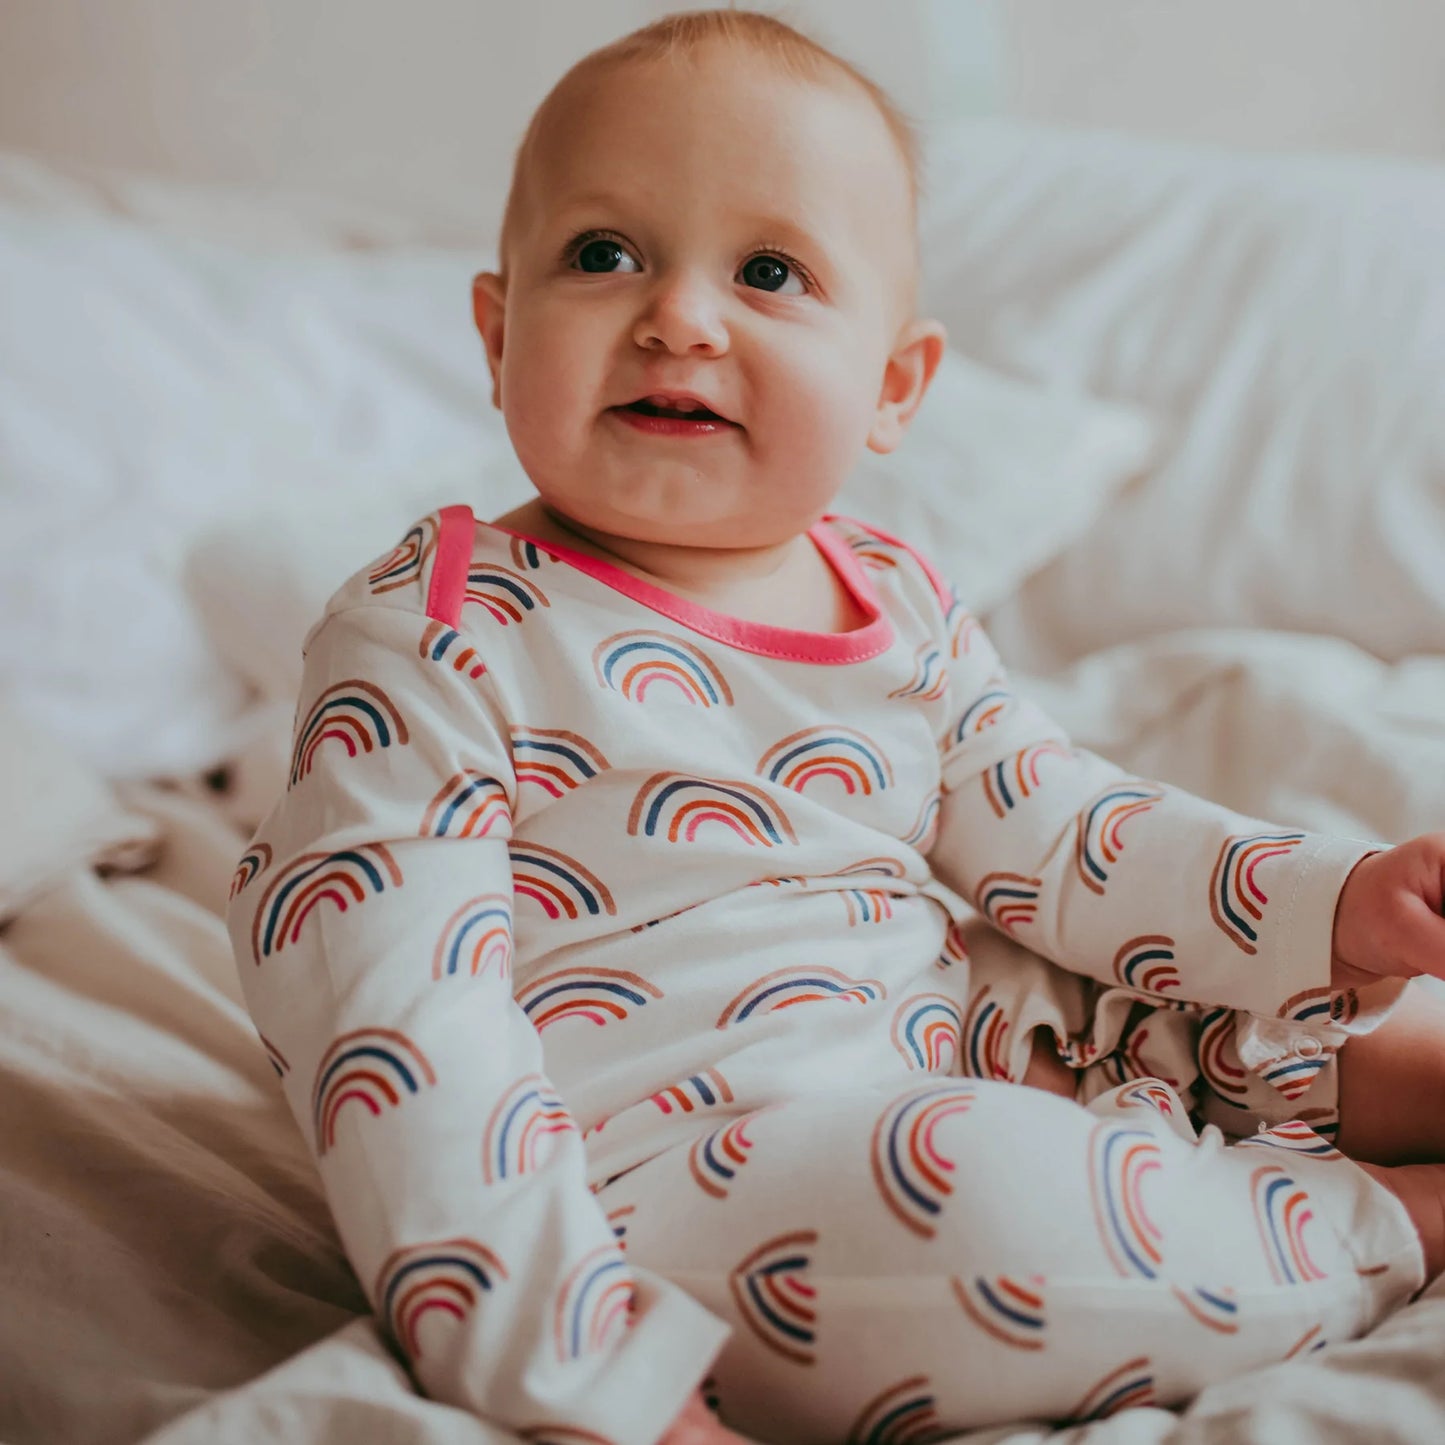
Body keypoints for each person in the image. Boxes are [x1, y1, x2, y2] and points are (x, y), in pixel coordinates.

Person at [224, 10, 1445, 1444]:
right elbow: (409, 1038)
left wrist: (1336, 903)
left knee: (1264, 1021)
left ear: (891, 388)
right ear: (498, 338)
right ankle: (1392, 1219)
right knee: (983, 1210)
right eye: (603, 254)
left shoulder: (894, 595)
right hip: (705, 1178)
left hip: (969, 1035)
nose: (679, 317)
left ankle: (1309, 1103)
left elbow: (1065, 838)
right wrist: (576, 1369)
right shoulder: (434, 637)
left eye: (767, 272)